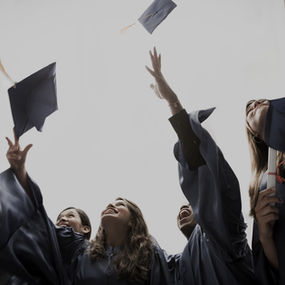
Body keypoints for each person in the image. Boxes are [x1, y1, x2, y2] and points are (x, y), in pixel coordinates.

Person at [0, 132, 181, 284]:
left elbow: (188, 265)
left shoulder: (149, 252)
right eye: (111, 202)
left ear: (134, 221)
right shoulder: (79, 250)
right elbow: (40, 226)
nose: (111, 204)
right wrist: (20, 172)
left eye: (120, 204)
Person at [146, 47, 257, 285]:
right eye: (183, 207)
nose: (184, 209)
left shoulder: (227, 232)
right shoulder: (178, 267)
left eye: (191, 204)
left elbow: (201, 171)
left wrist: (172, 101)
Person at [245, 99, 284, 284]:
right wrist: (265, 236)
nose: (254, 104)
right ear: (255, 134)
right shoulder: (263, 184)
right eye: (248, 111)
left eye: (259, 101)